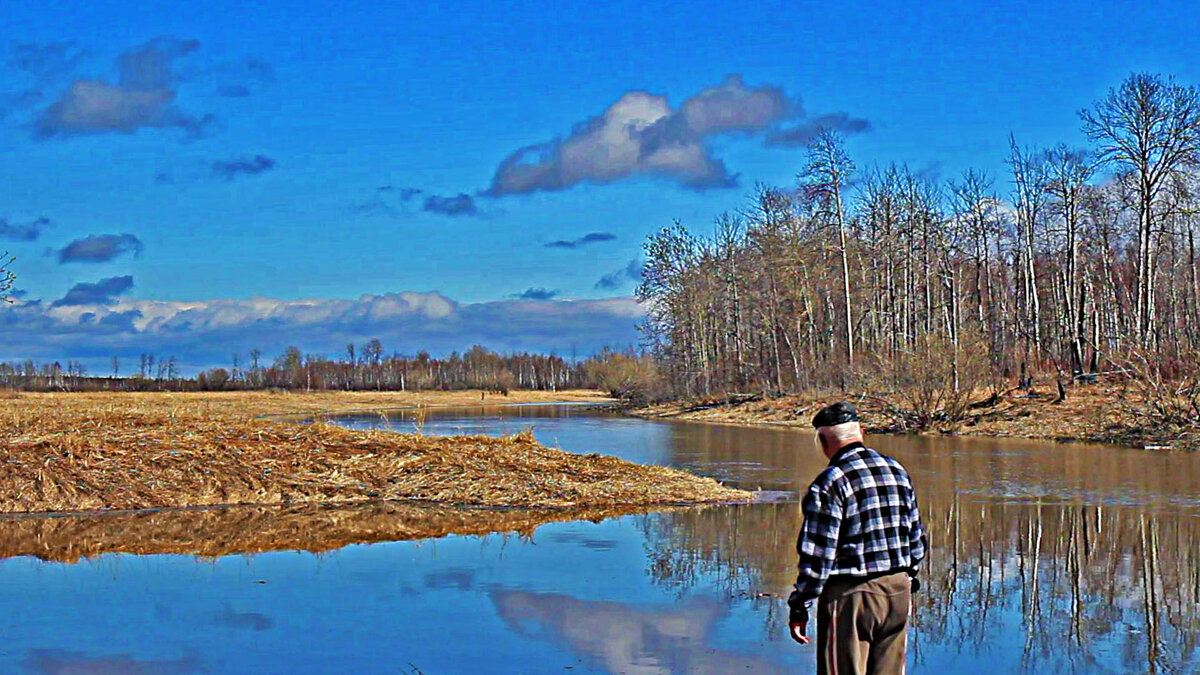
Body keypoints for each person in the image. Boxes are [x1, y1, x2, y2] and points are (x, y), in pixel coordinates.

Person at [788, 402, 926, 675]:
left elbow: (818, 556)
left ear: (824, 441)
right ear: (861, 432)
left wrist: (800, 606)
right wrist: (909, 578)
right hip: (898, 590)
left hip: (852, 596)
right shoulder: (896, 470)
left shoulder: (830, 482)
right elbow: (916, 537)